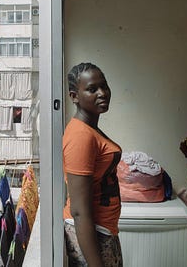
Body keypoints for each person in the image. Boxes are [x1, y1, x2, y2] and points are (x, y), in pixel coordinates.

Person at [63, 62, 123, 266]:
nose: (102, 93)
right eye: (92, 89)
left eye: (104, 86)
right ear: (74, 96)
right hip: (92, 235)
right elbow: (79, 211)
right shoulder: (80, 136)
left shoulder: (89, 129)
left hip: (102, 231)